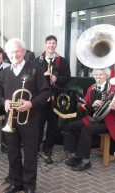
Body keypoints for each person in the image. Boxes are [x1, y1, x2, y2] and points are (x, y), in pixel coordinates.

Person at [0, 38, 50, 193]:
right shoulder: (4, 73)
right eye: (11, 52)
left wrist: (31, 103)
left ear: (24, 52)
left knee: (31, 153)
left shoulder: (35, 69)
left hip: (30, 119)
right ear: (7, 54)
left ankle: (29, 185)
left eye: (17, 51)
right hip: (11, 120)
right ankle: (15, 183)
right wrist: (4, 101)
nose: (14, 54)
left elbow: (46, 92)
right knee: (13, 153)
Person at [64, 68, 115, 171]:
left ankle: (85, 162)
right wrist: (91, 105)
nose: (97, 76)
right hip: (93, 118)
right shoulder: (91, 88)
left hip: (108, 121)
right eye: (96, 74)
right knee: (69, 127)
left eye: (101, 74)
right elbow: (81, 106)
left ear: (107, 76)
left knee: (87, 130)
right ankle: (76, 157)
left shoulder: (114, 89)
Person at [34, 35, 71, 164]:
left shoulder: (63, 61)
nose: (51, 45)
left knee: (52, 123)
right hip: (41, 97)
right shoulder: (36, 60)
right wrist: (42, 75)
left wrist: (57, 79)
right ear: (45, 44)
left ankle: (48, 146)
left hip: (56, 96)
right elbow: (32, 78)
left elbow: (67, 77)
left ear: (56, 45)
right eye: (49, 43)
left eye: (53, 43)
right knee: (39, 122)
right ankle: (36, 145)